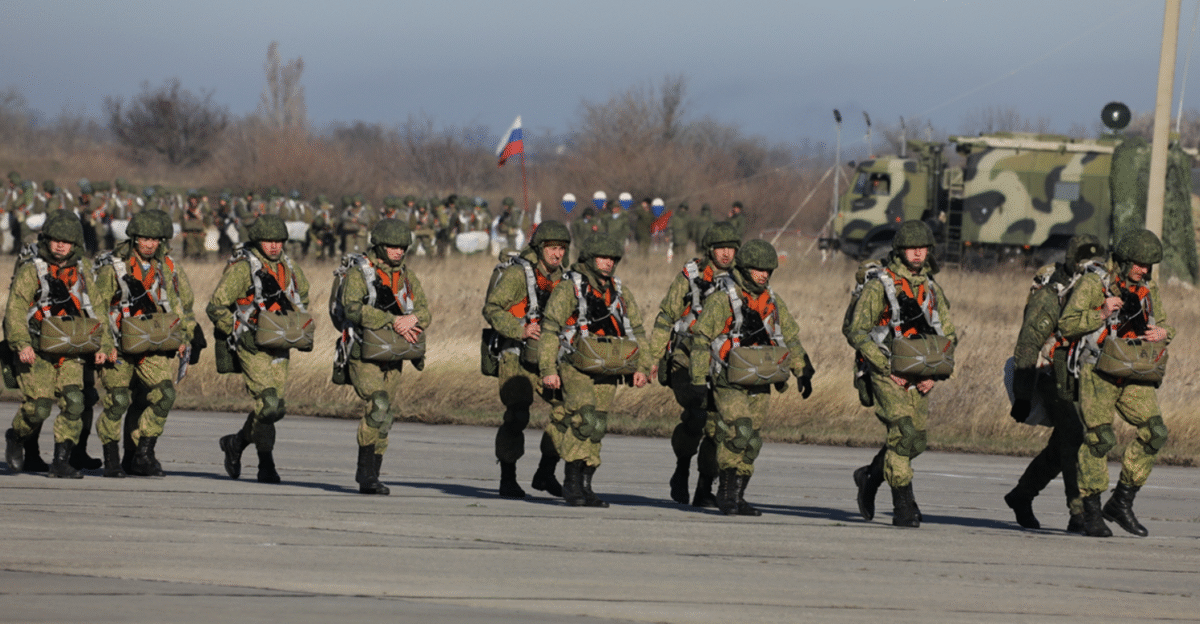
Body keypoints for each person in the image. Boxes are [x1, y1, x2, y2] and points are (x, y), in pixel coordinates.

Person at [1058, 229, 1173, 538]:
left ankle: (1121, 502)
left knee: (1156, 431)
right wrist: (1100, 312)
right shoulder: (1094, 284)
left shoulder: (1149, 289)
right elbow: (1067, 325)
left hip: (1134, 371)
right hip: (1098, 373)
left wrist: (1163, 334)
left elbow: (1162, 324)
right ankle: (1092, 511)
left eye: (1149, 266)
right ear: (1122, 261)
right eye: (1139, 264)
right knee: (1101, 439)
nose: (1144, 271)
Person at [689, 239, 814, 515]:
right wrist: (698, 380)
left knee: (753, 439)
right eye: (758, 269)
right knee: (740, 430)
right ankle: (725, 493)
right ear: (745, 269)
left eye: (768, 270)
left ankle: (738, 495)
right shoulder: (723, 298)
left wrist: (802, 369)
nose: (764, 275)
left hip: (760, 378)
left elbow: (789, 337)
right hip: (728, 379)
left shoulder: (772, 301)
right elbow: (701, 339)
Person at [846, 220, 956, 527]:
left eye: (923, 248)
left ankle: (870, 476)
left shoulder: (931, 287)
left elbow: (948, 335)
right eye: (912, 248)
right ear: (899, 250)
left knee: (916, 442)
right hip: (885, 371)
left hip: (920, 373)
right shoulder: (879, 286)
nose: (918, 254)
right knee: (903, 432)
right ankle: (904, 505)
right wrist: (883, 367)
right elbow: (856, 331)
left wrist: (934, 373)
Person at [538, 233, 650, 506]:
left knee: (597, 424)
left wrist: (643, 366)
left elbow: (637, 330)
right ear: (589, 259)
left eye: (612, 259)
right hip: (574, 365)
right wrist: (547, 369)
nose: (608, 263)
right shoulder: (569, 289)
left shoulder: (619, 292)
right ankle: (572, 483)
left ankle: (587, 483)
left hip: (609, 366)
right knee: (583, 417)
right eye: (602, 258)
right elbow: (550, 329)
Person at [1004, 235, 1101, 532]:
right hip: (1049, 372)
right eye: (1083, 262)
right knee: (1073, 432)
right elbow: (1028, 344)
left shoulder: (1099, 291)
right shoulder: (1051, 294)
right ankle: (1078, 512)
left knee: (1063, 443)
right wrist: (1022, 395)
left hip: (1083, 374)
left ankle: (1022, 495)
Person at [4, 211, 111, 478]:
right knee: (38, 407)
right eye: (55, 240)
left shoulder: (83, 272)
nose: (61, 245)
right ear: (46, 240)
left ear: (75, 244)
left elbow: (97, 309)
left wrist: (104, 344)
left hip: (71, 349)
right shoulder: (32, 270)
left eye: (67, 241)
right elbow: (15, 310)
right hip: (37, 351)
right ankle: (16, 436)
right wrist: (21, 344)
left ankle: (61, 460)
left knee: (75, 401)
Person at [93, 210, 196, 477]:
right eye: (145, 239)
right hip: (119, 346)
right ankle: (111, 456)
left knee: (164, 395)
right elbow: (99, 308)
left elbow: (175, 306)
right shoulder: (113, 267)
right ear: (134, 239)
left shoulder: (165, 268)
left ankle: (143, 453)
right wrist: (105, 346)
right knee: (117, 400)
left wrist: (182, 338)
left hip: (152, 345)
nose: (150, 244)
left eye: (155, 240)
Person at [645, 222, 741, 507]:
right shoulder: (689, 276)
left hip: (723, 362)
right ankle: (682, 467)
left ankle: (703, 488)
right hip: (686, 358)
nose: (726, 253)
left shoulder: (742, 280)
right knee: (697, 417)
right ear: (710, 249)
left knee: (718, 427)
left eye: (731, 248)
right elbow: (666, 317)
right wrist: (651, 358)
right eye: (721, 248)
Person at [211, 214, 312, 484]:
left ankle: (237, 443)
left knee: (274, 408)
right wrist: (236, 331)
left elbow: (303, 297)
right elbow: (216, 306)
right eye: (268, 241)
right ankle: (266, 465)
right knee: (267, 402)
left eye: (279, 241)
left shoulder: (290, 267)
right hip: (251, 343)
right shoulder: (244, 268)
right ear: (257, 241)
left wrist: (296, 326)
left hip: (279, 343)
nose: (274, 246)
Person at [336, 219, 430, 495]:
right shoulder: (359, 273)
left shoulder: (408, 278)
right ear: (379, 245)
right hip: (363, 353)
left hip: (394, 354)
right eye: (392, 246)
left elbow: (425, 311)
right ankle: (365, 473)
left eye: (402, 247)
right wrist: (392, 320)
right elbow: (352, 308)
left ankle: (374, 474)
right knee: (377, 404)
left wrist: (411, 318)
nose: (398, 251)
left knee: (385, 415)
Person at [481, 220, 572, 499]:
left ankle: (545, 472)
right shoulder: (518, 275)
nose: (558, 254)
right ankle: (507, 478)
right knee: (517, 415)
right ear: (539, 247)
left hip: (547, 357)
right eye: (553, 248)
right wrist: (519, 328)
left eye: (562, 249)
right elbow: (492, 309)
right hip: (515, 355)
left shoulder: (564, 279)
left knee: (567, 409)